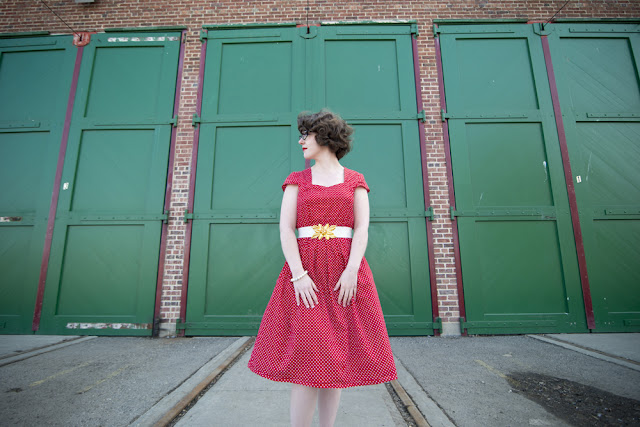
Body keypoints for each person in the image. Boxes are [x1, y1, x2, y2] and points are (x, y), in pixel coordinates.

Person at [247, 109, 397, 427]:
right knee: (308, 356)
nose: (301, 141)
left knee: (336, 356)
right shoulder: (296, 181)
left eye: (307, 135)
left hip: (345, 275)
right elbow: (286, 229)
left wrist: (352, 270)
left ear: (326, 137)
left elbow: (362, 229)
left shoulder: (355, 180)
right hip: (306, 275)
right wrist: (298, 275)